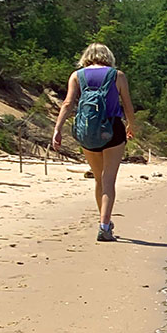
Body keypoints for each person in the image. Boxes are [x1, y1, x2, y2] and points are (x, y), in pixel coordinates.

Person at [52, 43, 137, 242]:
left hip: (87, 131)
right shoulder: (118, 75)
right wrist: (131, 126)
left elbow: (67, 103)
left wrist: (57, 129)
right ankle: (104, 225)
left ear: (86, 56)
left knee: (99, 179)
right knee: (109, 180)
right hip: (113, 130)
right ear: (108, 56)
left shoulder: (77, 75)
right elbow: (127, 105)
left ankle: (104, 222)